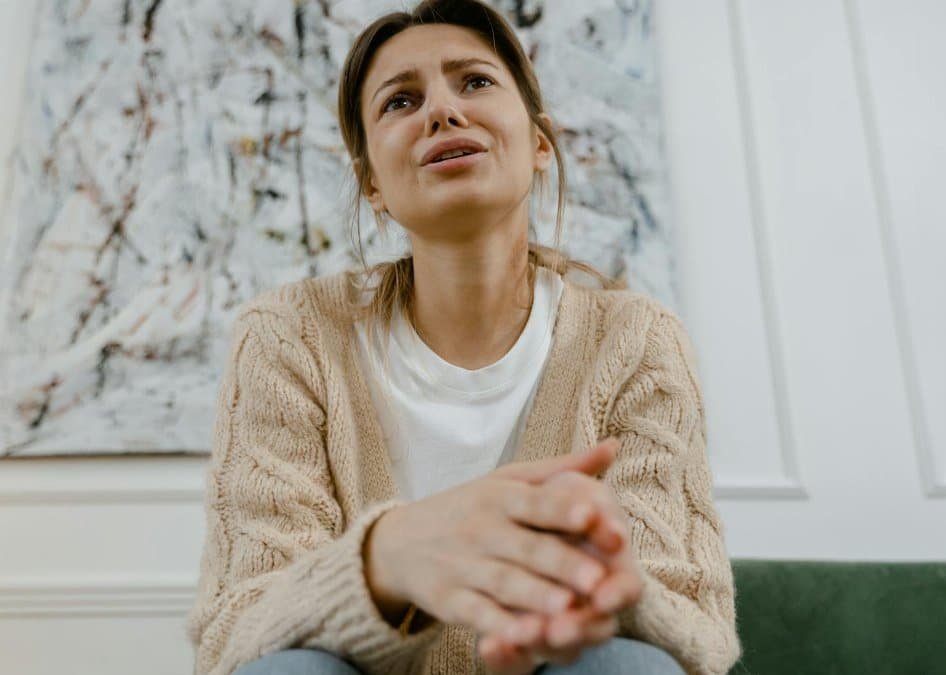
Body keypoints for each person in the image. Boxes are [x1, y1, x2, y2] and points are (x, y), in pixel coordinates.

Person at [185, 1, 741, 673]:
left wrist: (601, 594)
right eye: (400, 101)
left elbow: (694, 625)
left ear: (539, 143)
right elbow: (239, 628)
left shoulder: (637, 339)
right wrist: (385, 557)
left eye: (474, 81)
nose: (442, 111)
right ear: (372, 185)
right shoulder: (287, 337)